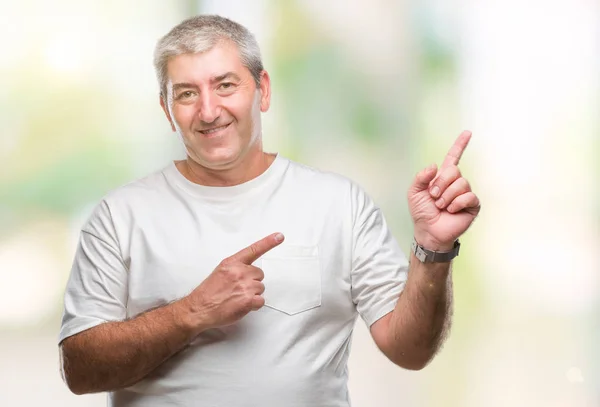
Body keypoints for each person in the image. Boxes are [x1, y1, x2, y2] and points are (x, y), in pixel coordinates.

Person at [58, 14, 481, 407]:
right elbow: (80, 371)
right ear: (168, 110)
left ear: (263, 90)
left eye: (225, 85)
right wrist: (192, 312)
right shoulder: (121, 216)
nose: (208, 111)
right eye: (187, 94)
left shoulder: (338, 204)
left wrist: (433, 249)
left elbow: (409, 350)